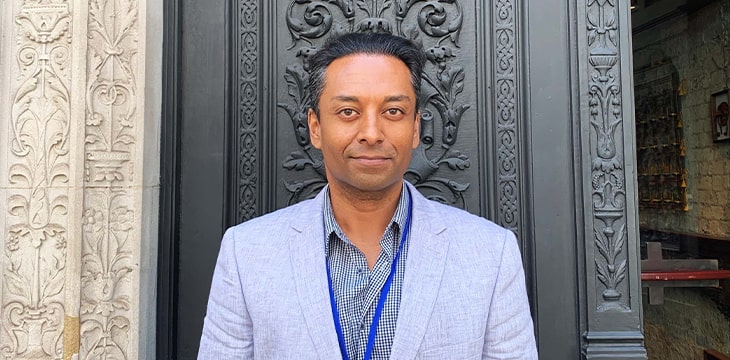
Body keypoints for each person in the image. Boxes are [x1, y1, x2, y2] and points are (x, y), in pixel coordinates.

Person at [198, 32, 538, 360]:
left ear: (416, 128)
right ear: (315, 127)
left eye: (393, 112)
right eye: (348, 112)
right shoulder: (246, 254)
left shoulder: (491, 255)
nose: (372, 133)